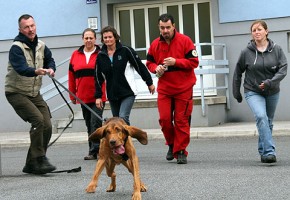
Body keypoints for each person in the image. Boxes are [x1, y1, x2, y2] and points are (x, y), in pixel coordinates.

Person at [5, 14, 56, 174]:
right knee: (38, 120)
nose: (30, 29)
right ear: (20, 29)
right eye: (26, 27)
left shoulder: (41, 45)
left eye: (32, 25)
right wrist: (35, 71)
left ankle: (32, 163)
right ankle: (39, 160)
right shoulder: (16, 48)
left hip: (34, 93)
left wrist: (51, 68)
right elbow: (20, 68)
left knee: (47, 125)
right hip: (16, 92)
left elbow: (50, 60)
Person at [146, 13, 199, 164]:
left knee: (181, 120)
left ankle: (181, 150)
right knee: (164, 120)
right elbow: (149, 63)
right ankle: (171, 144)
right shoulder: (155, 44)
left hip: (184, 88)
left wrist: (176, 62)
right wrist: (156, 69)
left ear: (174, 26)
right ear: (159, 28)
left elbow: (194, 62)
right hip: (165, 89)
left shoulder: (185, 41)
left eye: (168, 27)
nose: (165, 31)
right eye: (162, 28)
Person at [233, 20, 287, 163]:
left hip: (272, 91)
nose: (256, 32)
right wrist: (236, 92)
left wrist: (270, 82)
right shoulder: (246, 52)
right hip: (253, 90)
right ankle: (270, 152)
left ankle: (263, 151)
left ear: (266, 31)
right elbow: (238, 72)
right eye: (254, 30)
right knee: (261, 116)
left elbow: (283, 69)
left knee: (268, 121)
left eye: (259, 29)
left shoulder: (277, 49)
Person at [95, 26, 155, 125]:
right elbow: (98, 77)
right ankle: (124, 140)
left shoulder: (126, 50)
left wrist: (149, 82)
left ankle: (126, 140)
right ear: (102, 39)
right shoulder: (100, 56)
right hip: (112, 94)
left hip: (128, 92)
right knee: (116, 122)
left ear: (115, 37)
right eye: (105, 38)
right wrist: (98, 96)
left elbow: (139, 66)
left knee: (122, 119)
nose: (108, 39)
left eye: (110, 37)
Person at [68, 28, 106, 160]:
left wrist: (100, 96)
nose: (89, 40)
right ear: (82, 39)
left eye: (91, 38)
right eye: (86, 38)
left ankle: (95, 151)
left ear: (95, 39)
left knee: (96, 123)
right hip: (83, 96)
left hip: (98, 97)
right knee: (89, 123)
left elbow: (104, 76)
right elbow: (71, 76)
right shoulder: (75, 55)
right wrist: (72, 95)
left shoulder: (101, 54)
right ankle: (94, 148)